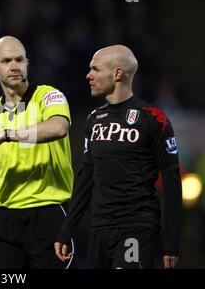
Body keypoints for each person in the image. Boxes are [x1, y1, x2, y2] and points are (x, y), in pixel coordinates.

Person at [55, 45, 182, 269]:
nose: (88, 75)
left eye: (95, 69)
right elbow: (85, 178)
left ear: (117, 74)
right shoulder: (94, 119)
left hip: (137, 227)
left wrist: (171, 242)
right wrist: (66, 230)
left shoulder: (153, 119)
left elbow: (172, 181)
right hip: (99, 229)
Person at [0, 36, 74, 269]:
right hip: (5, 218)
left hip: (47, 212)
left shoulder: (49, 96)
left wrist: (6, 134)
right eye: (6, 60)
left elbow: (59, 127)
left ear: (27, 63)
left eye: (19, 59)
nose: (14, 66)